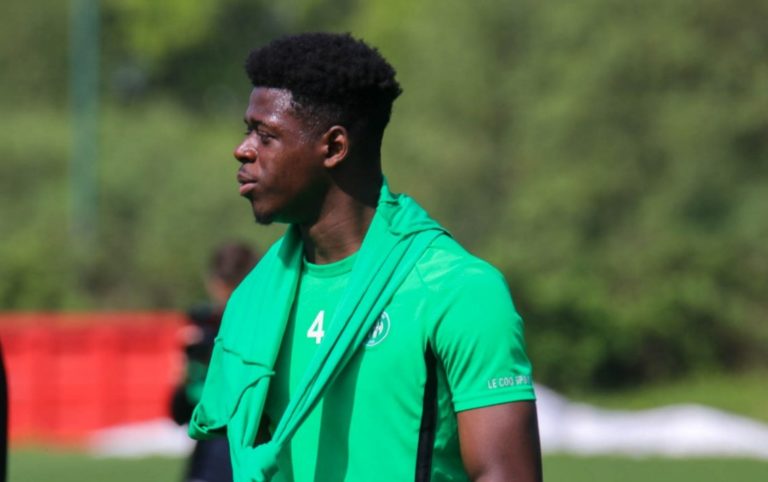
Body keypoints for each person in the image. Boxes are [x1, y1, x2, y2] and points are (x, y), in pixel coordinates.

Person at [190, 32, 542, 482]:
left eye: (266, 134)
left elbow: (505, 473)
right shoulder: (255, 299)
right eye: (248, 131)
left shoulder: (457, 291)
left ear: (334, 147)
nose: (243, 149)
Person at [171, 242, 259, 482]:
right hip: (231, 462)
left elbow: (179, 413)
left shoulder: (223, 335)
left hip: (223, 463)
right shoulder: (207, 335)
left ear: (216, 284)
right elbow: (181, 412)